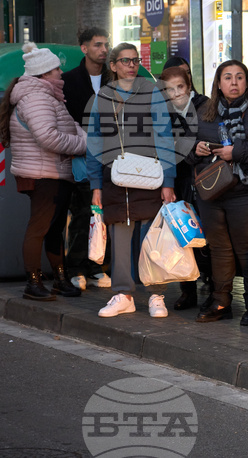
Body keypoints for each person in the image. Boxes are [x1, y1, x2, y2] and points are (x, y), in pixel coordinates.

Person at [86, 43, 177, 319]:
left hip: (150, 175)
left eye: (135, 60)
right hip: (114, 178)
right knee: (120, 235)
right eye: (125, 61)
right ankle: (123, 294)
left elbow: (165, 136)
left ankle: (155, 294)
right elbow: (94, 142)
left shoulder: (152, 94)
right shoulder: (103, 97)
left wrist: (168, 179)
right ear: (113, 65)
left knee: (153, 238)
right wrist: (95, 185)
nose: (131, 65)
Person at [191, 60, 248, 326]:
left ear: (247, 82)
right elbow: (184, 148)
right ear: (218, 83)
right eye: (227, 77)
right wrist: (197, 150)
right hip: (213, 191)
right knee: (219, 248)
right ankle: (221, 301)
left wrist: (235, 151)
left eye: (240, 77)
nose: (234, 82)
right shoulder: (204, 110)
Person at [0, 43, 87, 301]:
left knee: (54, 228)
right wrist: (83, 146)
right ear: (44, 74)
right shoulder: (37, 98)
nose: (61, 72)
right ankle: (33, 283)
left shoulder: (48, 97)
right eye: (56, 69)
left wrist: (82, 140)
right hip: (43, 175)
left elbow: (73, 126)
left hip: (53, 172)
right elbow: (48, 137)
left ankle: (59, 279)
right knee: (39, 228)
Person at [62, 27, 113, 290]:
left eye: (106, 44)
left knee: (105, 214)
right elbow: (64, 119)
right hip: (81, 156)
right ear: (84, 48)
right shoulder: (69, 80)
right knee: (82, 212)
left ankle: (98, 266)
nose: (103, 49)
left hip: (111, 157)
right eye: (97, 45)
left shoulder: (113, 78)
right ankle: (77, 267)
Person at [159, 66, 211, 312]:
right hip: (179, 180)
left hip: (205, 179)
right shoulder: (162, 112)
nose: (176, 93)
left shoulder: (204, 105)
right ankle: (187, 290)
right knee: (182, 236)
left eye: (180, 86)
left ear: (188, 85)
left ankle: (212, 286)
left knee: (209, 236)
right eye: (169, 89)